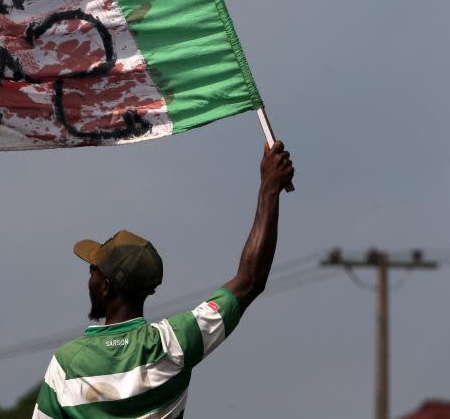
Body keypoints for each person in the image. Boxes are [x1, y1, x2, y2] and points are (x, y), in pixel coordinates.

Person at [32, 142, 295, 418]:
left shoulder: (66, 364)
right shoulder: (174, 344)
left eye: (93, 272)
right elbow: (250, 281)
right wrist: (269, 188)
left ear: (106, 286)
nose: (90, 280)